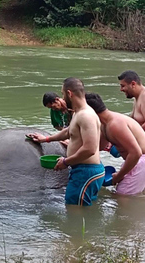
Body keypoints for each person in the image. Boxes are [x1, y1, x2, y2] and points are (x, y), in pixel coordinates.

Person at [28, 78, 104, 206]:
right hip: (81, 171)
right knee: (81, 212)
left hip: (85, 172)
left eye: (62, 94)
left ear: (69, 94)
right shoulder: (78, 113)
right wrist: (46, 139)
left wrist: (65, 161)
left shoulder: (86, 116)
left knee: (75, 212)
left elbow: (90, 149)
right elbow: (68, 132)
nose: (62, 97)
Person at [85, 93, 145, 195]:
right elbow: (99, 146)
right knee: (135, 195)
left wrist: (119, 176)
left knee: (122, 196)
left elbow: (136, 152)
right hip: (136, 160)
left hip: (142, 161)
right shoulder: (104, 123)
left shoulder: (115, 124)